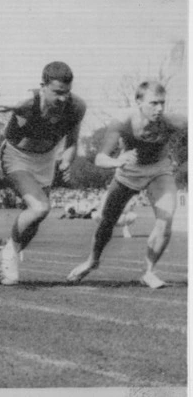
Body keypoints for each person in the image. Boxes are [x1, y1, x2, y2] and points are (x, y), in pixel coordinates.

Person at [0, 61, 86, 285]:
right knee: (40, 207)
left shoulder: (77, 107)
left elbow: (72, 142)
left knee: (34, 221)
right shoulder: (26, 102)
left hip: (47, 160)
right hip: (16, 156)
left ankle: (3, 256)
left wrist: (67, 161)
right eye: (57, 93)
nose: (63, 99)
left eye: (67, 93)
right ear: (43, 86)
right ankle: (10, 256)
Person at [67, 81, 186, 288]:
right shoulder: (123, 121)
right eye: (153, 103)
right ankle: (92, 261)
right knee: (107, 222)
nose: (159, 109)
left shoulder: (174, 121)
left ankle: (149, 272)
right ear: (139, 102)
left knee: (166, 219)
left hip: (159, 170)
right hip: (128, 172)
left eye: (162, 103)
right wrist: (116, 161)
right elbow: (100, 158)